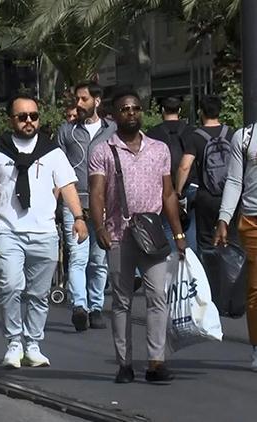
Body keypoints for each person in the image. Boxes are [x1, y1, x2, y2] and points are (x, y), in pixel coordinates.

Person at [0, 95, 88, 369]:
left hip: (44, 233)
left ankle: (33, 343)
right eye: (22, 116)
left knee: (38, 295)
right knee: (11, 287)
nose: (28, 121)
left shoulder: (52, 152)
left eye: (33, 116)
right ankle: (14, 343)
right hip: (8, 231)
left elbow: (69, 186)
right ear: (11, 120)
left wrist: (79, 217)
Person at [88, 91, 186, 384]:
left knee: (157, 295)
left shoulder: (159, 149)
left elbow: (168, 193)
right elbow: (96, 193)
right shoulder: (103, 150)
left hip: (154, 232)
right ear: (114, 115)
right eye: (124, 109)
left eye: (135, 109)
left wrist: (178, 232)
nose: (131, 113)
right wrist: (100, 227)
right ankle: (125, 364)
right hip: (119, 234)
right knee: (122, 300)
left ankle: (156, 362)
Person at [55, 81, 116, 332]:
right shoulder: (66, 131)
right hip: (75, 203)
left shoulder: (112, 130)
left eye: (83, 99)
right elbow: (56, 168)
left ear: (97, 102)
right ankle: (80, 307)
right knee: (78, 257)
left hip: (107, 204)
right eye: (76, 100)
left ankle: (96, 307)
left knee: (99, 260)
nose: (78, 104)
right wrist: (54, 204)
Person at [215, 123, 257, 371]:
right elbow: (233, 180)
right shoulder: (245, 137)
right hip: (252, 220)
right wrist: (224, 218)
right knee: (255, 288)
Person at [176, 95, 237, 253]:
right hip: (230, 195)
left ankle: (210, 274)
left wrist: (178, 192)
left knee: (206, 241)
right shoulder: (231, 134)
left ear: (200, 112)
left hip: (206, 196)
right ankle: (231, 275)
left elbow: (184, 166)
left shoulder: (195, 136)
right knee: (231, 240)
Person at [148, 97, 197, 251]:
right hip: (191, 185)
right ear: (180, 111)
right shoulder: (191, 131)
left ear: (162, 110)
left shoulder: (152, 133)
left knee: (169, 227)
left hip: (164, 188)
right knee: (192, 228)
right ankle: (192, 265)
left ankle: (173, 263)